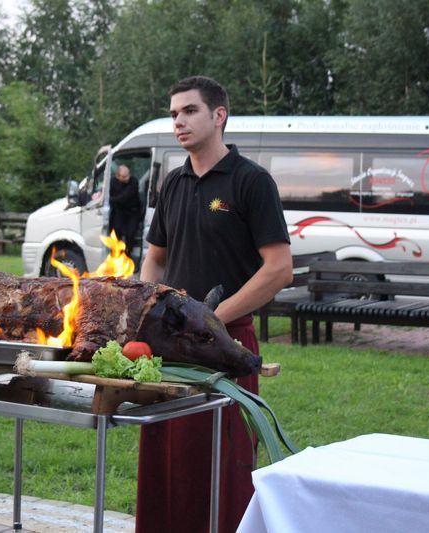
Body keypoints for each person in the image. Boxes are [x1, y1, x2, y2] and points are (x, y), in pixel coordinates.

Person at [137, 76, 293, 533]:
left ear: (218, 115)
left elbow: (279, 268)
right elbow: (155, 256)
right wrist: (149, 309)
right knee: (166, 461)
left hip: (226, 343)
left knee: (222, 464)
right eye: (173, 114)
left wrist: (208, 322)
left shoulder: (251, 182)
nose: (178, 121)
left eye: (189, 111)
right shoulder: (173, 183)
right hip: (168, 347)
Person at [109, 164, 141, 255]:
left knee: (130, 234)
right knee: (116, 230)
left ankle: (128, 253)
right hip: (120, 210)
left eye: (128, 175)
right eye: (124, 176)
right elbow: (106, 191)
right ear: (117, 176)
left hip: (133, 211)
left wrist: (111, 199)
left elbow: (124, 197)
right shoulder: (112, 182)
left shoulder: (134, 181)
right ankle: (117, 252)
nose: (127, 178)